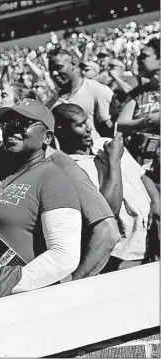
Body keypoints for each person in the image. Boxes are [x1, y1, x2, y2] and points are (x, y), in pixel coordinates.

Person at [0, 20, 119, 284]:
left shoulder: (61, 168)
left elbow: (107, 232)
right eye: (8, 123)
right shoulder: (4, 157)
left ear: (47, 137)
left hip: (27, 291)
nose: (12, 129)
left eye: (23, 124)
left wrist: (69, 287)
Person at [53, 103, 160, 271]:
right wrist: (114, 160)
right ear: (62, 132)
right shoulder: (72, 168)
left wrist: (156, 203)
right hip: (123, 253)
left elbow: (141, 175)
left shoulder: (105, 143)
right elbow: (109, 210)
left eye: (86, 122)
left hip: (152, 236)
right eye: (80, 125)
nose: (88, 128)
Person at [117, 38, 160, 185]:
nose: (139, 60)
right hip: (145, 174)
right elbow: (120, 124)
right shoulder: (138, 93)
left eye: (145, 56)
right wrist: (145, 121)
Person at [46, 47, 114, 139]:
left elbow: (109, 130)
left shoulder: (97, 90)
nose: (54, 73)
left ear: (73, 64)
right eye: (51, 69)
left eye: (59, 67)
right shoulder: (53, 100)